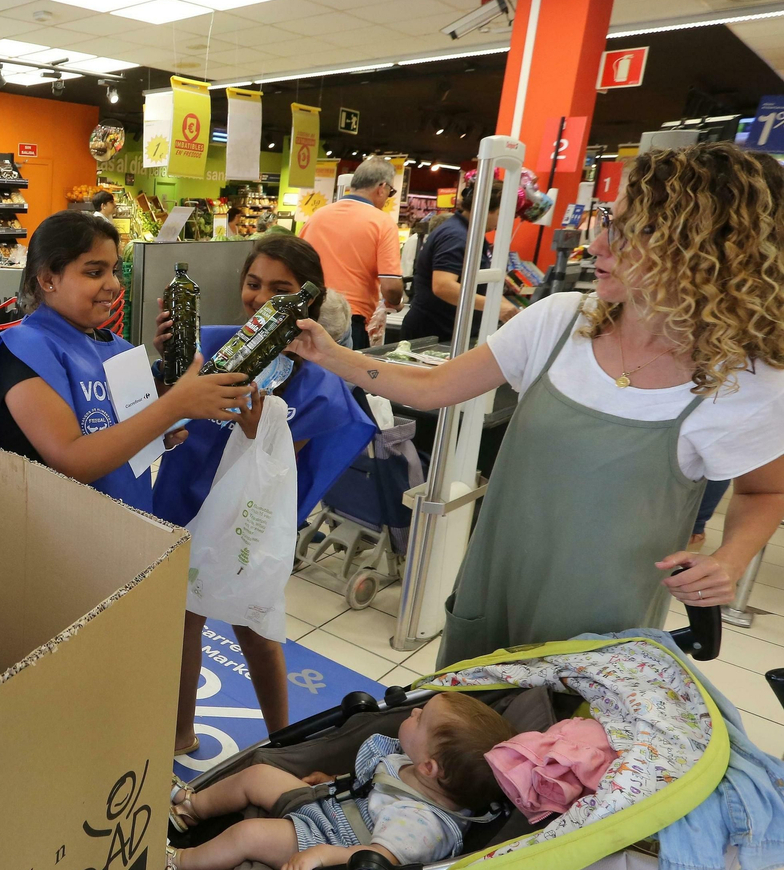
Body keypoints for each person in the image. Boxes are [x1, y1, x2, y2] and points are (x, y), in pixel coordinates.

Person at [284, 142, 784, 667]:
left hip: (604, 619)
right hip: (496, 581)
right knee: (464, 711)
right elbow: (433, 388)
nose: (596, 245)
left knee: (560, 718)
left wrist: (730, 560)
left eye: (628, 231)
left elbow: (766, 490)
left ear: (701, 252)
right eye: (608, 222)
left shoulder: (746, 381)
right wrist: (331, 355)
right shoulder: (560, 321)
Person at [154, 230, 378, 743]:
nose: (260, 298)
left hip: (247, 522)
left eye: (280, 290)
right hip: (185, 498)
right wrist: (171, 362)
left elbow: (279, 470)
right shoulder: (210, 343)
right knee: (183, 618)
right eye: (253, 283)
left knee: (254, 625)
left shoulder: (316, 383)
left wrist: (257, 429)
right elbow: (166, 412)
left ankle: (284, 739)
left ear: (308, 301)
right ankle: (181, 732)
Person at [0, 211, 250, 513]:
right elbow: (72, 461)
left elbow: (128, 429)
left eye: (114, 271)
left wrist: (159, 426)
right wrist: (172, 407)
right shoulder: (21, 351)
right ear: (49, 279)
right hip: (53, 527)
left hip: (126, 521)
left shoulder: (118, 348)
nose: (114, 285)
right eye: (95, 273)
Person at [166, 692, 514, 870]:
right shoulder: (414, 764)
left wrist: (320, 856)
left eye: (421, 719)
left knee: (249, 836)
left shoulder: (421, 825)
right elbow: (375, 785)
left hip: (330, 841)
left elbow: (380, 860)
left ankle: (182, 865)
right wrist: (336, 780)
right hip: (331, 805)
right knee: (258, 775)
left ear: (430, 768)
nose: (414, 710)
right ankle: (192, 807)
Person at [299, 156, 403, 348]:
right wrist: (396, 302)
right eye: (391, 192)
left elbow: (296, 264)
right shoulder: (382, 222)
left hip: (310, 313)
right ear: (382, 187)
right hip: (351, 318)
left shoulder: (317, 216)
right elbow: (391, 286)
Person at [400, 176, 518, 343]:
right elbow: (443, 286)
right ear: (485, 208)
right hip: (434, 334)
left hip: (448, 331)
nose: (503, 221)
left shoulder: (469, 234)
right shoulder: (456, 236)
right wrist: (494, 305)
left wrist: (506, 307)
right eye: (500, 214)